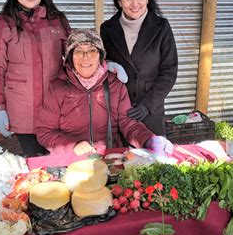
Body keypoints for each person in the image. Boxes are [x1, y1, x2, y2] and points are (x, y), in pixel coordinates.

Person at [36, 29, 174, 157]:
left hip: (109, 156)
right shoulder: (57, 88)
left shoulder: (115, 85)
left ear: (101, 56)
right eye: (78, 51)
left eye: (92, 51)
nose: (86, 57)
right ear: (70, 57)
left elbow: (128, 123)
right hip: (71, 159)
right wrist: (72, 145)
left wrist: (148, 139)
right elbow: (45, 132)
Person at [0, 0, 71, 157]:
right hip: (23, 114)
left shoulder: (58, 19)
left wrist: (102, 63)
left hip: (57, 110)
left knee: (62, 166)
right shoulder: (3, 23)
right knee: (35, 169)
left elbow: (75, 56)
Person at [100, 0, 178, 136]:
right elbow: (101, 65)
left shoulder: (161, 27)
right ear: (119, 1)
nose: (135, 3)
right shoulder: (107, 29)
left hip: (151, 112)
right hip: (119, 112)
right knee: (119, 158)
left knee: (154, 158)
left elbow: (169, 72)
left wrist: (146, 106)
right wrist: (108, 64)